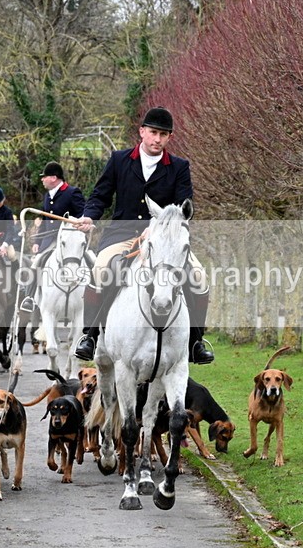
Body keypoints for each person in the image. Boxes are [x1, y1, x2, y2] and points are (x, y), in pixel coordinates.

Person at [72, 106, 214, 365]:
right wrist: (89, 215)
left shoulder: (180, 166)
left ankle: (196, 341)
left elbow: (183, 205)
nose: (157, 139)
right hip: (122, 234)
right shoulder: (119, 160)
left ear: (169, 137)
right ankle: (89, 336)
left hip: (165, 239)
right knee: (102, 269)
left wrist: (159, 227)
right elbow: (100, 195)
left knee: (198, 276)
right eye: (152, 133)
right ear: (142, 132)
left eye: (163, 134)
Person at [19, 161, 86, 312]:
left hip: (70, 241)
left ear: (54, 178)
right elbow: (44, 220)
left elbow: (83, 216)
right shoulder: (47, 196)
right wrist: (37, 241)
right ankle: (30, 298)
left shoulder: (72, 192)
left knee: (92, 260)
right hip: (50, 241)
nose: (42, 180)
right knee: (36, 264)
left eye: (45, 177)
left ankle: (94, 294)